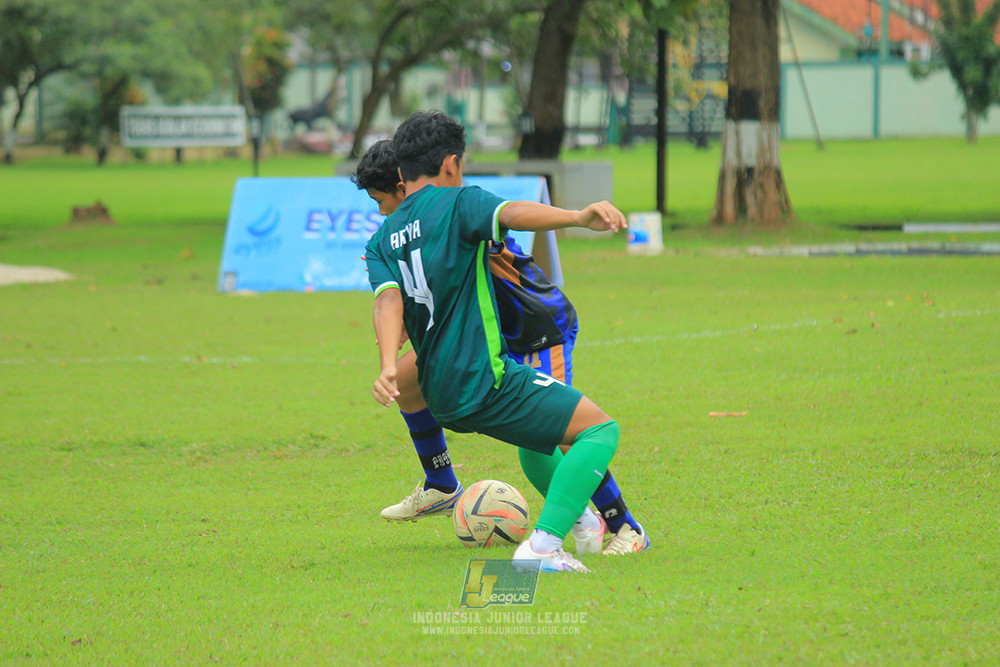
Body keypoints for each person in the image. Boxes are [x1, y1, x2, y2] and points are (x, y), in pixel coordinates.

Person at [364, 111, 633, 573]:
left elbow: (388, 304)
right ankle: (548, 546)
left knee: (540, 443)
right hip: (486, 379)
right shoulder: (459, 202)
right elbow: (512, 212)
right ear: (451, 164)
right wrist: (577, 217)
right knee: (598, 430)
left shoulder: (382, 239)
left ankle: (581, 521)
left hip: (440, 394)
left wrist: (389, 364)